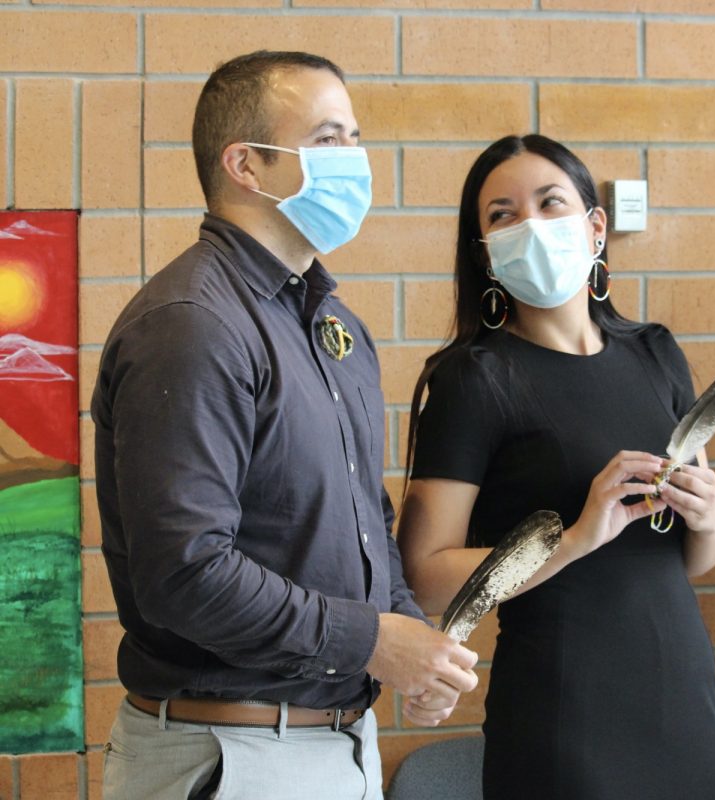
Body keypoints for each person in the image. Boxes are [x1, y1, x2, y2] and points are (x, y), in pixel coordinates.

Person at [92, 50, 478, 800]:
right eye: (330, 139)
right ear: (248, 165)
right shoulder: (195, 324)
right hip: (232, 754)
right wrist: (373, 641)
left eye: (357, 138)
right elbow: (184, 573)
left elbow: (364, 524)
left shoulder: (335, 327)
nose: (357, 160)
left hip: (336, 745)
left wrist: (410, 643)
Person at [397, 134, 715, 800]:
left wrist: (710, 514)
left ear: (596, 225)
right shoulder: (472, 381)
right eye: (502, 214)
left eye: (551, 203)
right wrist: (576, 537)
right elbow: (426, 578)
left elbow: (693, 558)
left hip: (683, 700)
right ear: (485, 254)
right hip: (564, 711)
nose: (531, 224)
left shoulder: (656, 354)